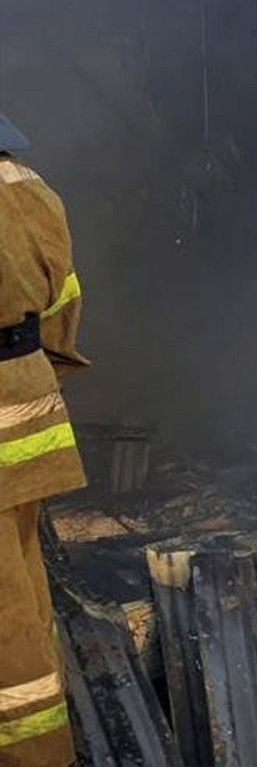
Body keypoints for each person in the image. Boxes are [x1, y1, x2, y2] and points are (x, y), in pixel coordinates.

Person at [0, 116, 87, 765]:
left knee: (7, 628)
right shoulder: (33, 190)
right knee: (25, 591)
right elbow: (63, 309)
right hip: (30, 417)